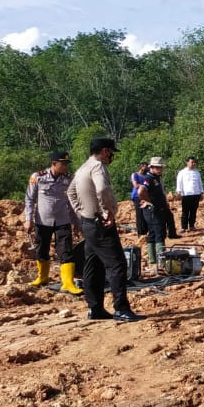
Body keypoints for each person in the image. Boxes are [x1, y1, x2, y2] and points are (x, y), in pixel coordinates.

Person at [67, 137, 142, 323]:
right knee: (117, 264)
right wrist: (107, 211)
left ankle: (95, 309)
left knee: (93, 265)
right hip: (100, 224)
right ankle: (121, 309)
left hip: (88, 223)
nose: (112, 156)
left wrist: (81, 212)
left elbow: (70, 192)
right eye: (111, 152)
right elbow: (101, 189)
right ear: (105, 151)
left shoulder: (83, 167)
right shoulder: (98, 167)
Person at [24, 151, 83, 295]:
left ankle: (68, 283)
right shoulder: (38, 177)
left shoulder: (69, 179)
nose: (65, 167)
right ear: (54, 164)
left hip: (63, 220)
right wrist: (28, 219)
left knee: (66, 250)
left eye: (66, 164)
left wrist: (76, 222)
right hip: (42, 220)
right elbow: (30, 199)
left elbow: (72, 201)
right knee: (41, 249)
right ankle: (42, 278)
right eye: (62, 164)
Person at [137, 157, 173, 271]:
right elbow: (141, 191)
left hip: (156, 210)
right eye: (157, 167)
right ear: (151, 167)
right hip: (153, 211)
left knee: (152, 233)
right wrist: (149, 202)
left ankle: (153, 259)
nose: (160, 169)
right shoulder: (149, 178)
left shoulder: (156, 178)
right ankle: (161, 261)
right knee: (159, 233)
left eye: (161, 167)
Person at [175, 156, 204, 232]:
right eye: (192, 162)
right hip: (186, 195)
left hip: (196, 194)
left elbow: (200, 183)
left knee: (193, 211)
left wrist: (201, 192)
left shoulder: (197, 172)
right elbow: (179, 183)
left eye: (194, 162)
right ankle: (183, 227)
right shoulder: (182, 172)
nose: (193, 164)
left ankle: (192, 226)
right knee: (185, 212)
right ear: (187, 162)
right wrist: (179, 192)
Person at [130, 162, 149, 236]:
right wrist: (143, 187)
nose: (147, 168)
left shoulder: (146, 176)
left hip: (145, 196)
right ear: (141, 166)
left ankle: (146, 231)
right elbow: (135, 184)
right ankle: (140, 233)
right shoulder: (135, 174)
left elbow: (147, 185)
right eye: (146, 167)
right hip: (137, 196)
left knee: (146, 214)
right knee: (139, 215)